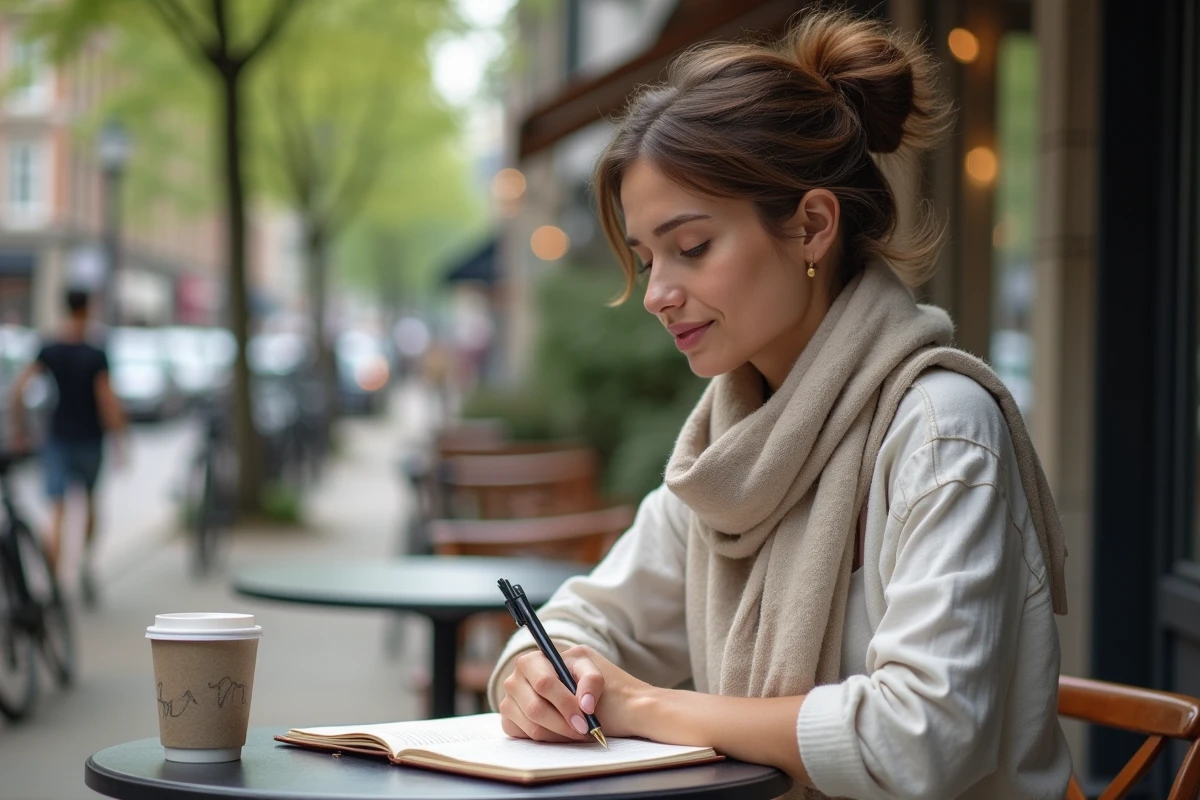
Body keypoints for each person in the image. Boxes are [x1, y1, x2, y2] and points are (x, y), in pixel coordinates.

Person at [487, 11, 1071, 800]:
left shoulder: (941, 432)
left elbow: (922, 739)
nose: (658, 294)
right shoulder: (730, 449)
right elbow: (583, 624)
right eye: (646, 256)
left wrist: (650, 706)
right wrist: (531, 673)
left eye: (691, 247)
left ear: (811, 227)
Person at [11, 289, 126, 606]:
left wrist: (20, 429)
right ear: (87, 309)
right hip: (90, 438)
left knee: (57, 512)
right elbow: (107, 400)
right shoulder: (95, 352)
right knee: (90, 504)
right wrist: (120, 440)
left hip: (58, 437)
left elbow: (19, 389)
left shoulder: (49, 349)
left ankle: (55, 582)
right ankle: (87, 565)